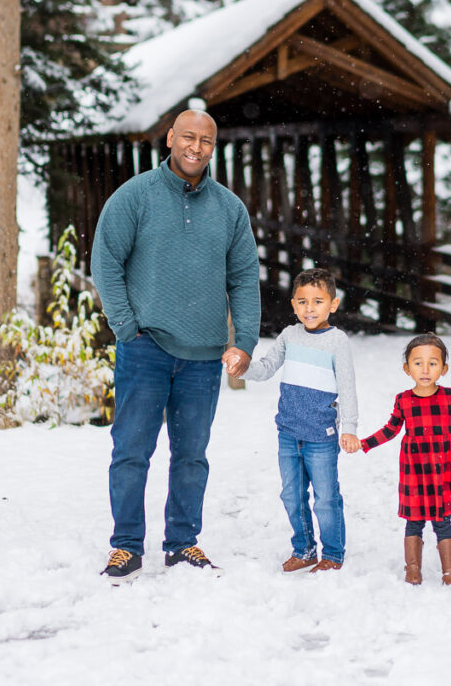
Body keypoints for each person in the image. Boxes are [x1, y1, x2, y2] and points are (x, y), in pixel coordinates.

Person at [90, 109, 261, 584]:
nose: (196, 147)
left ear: (213, 147)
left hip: (204, 356)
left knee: (192, 456)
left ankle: (183, 543)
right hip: (146, 348)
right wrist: (125, 325)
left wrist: (243, 340)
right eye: (188, 137)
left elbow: (245, 277)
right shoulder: (136, 196)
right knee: (131, 451)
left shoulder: (229, 209)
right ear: (169, 138)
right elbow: (106, 260)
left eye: (206, 140)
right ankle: (126, 546)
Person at [243, 267, 360, 574]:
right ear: (293, 305)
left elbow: (347, 386)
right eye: (303, 301)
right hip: (288, 433)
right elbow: (267, 367)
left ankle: (332, 554)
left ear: (332, 304)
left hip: (321, 436)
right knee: (292, 495)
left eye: (318, 301)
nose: (310, 308)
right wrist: (243, 367)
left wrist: (349, 428)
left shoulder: (337, 341)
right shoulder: (289, 336)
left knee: (325, 498)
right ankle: (304, 549)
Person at [360, 333, 451, 586]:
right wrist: (364, 443)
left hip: (442, 469)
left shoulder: (450, 396)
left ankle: (450, 572)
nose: (425, 369)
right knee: (414, 520)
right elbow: (391, 429)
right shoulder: (403, 399)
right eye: (418, 363)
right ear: (407, 368)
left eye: (433, 363)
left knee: (442, 520)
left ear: (444, 369)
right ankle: (413, 569)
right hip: (414, 469)